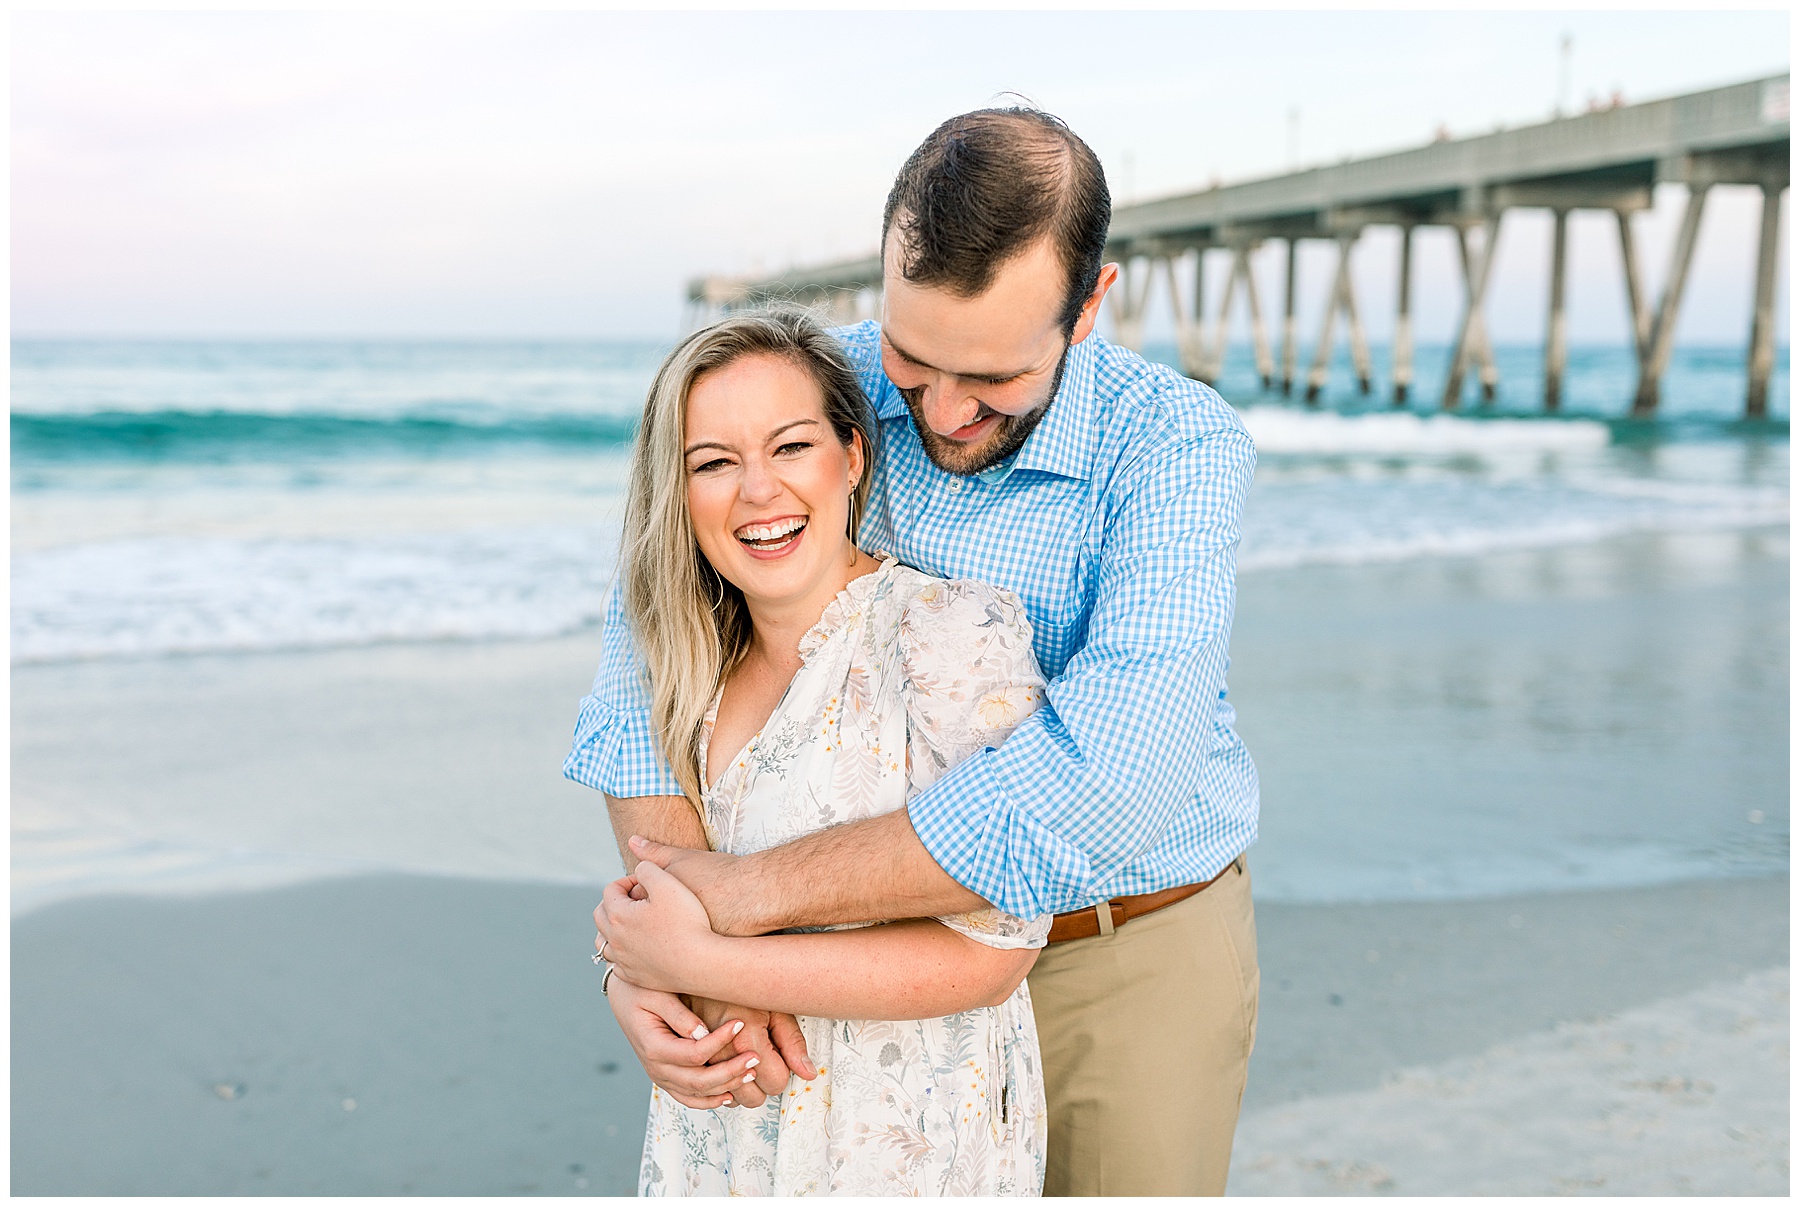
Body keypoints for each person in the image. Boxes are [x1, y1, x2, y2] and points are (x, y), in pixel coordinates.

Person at [568, 106, 1261, 1196]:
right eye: (910, 356)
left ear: (1089, 307)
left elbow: (1108, 783)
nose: (938, 408)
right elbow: (647, 652)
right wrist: (678, 958)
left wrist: (731, 907)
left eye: (990, 376)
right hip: (833, 964)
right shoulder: (817, 395)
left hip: (1121, 947)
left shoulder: (1174, 446)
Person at [591, 309, 1054, 1196]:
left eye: (791, 446)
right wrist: (632, 984)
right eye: (714, 463)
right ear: (676, 493)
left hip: (905, 1144)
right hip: (723, 1135)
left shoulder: (950, 631)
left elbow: (997, 952)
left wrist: (703, 966)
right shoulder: (680, 666)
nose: (758, 490)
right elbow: (651, 904)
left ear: (853, 457)